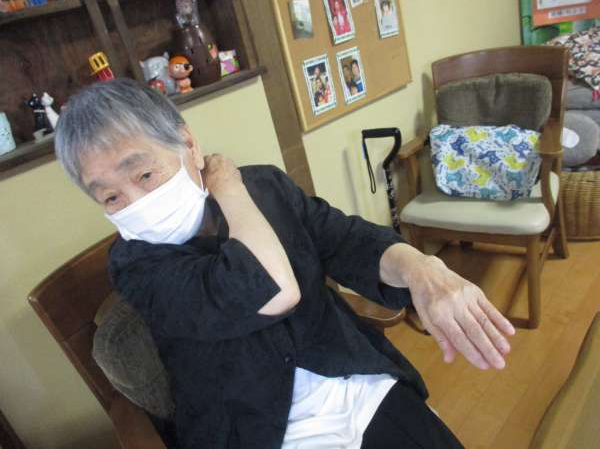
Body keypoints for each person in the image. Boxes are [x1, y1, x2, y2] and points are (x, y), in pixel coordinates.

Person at [55, 79, 515, 449]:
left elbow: (345, 239)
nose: (136, 202)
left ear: (188, 144)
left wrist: (421, 269)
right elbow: (270, 288)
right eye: (111, 197)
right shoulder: (135, 266)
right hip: (256, 429)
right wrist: (227, 187)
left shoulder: (267, 187)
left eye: (144, 174)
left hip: (352, 379)